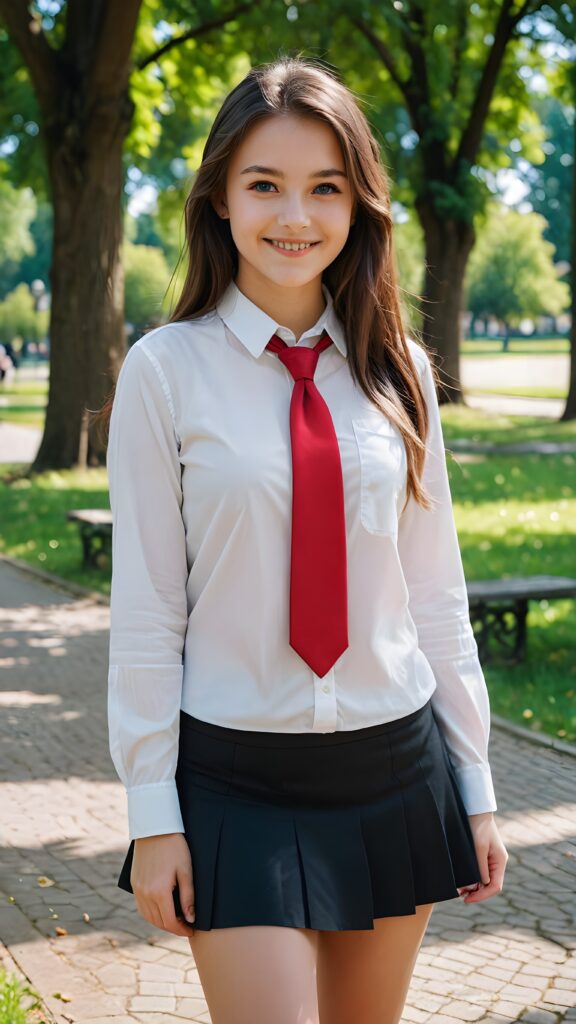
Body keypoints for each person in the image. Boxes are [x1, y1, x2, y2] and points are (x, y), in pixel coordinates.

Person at [103, 55, 508, 1024]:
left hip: (391, 765)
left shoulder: (400, 369)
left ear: (359, 204)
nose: (296, 215)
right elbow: (150, 609)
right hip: (234, 775)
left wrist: (478, 780)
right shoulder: (165, 371)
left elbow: (433, 592)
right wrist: (153, 811)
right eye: (265, 185)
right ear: (221, 200)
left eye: (325, 186)